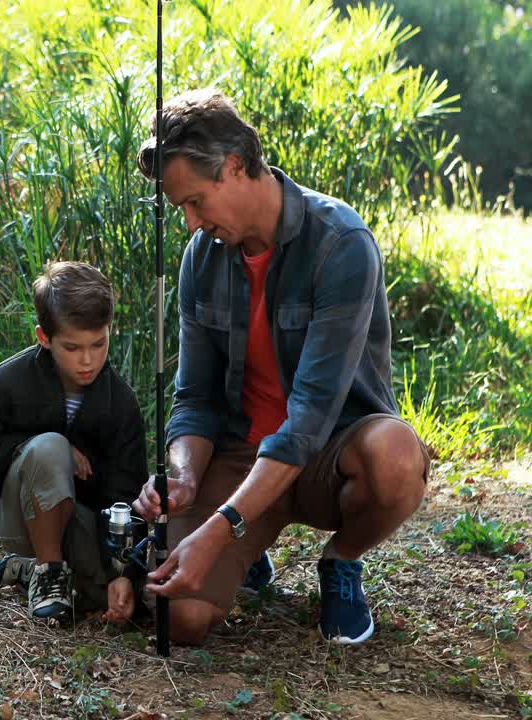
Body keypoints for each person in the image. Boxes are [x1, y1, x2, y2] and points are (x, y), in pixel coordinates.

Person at [130, 89, 430, 646]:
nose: (190, 224)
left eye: (195, 202)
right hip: (240, 452)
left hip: (329, 451)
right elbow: (194, 398)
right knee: (178, 616)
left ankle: (341, 559)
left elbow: (310, 418)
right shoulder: (201, 258)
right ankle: (250, 549)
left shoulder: (341, 242)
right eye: (180, 209)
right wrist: (184, 475)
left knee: (395, 455)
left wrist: (220, 529)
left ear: (235, 166)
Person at [0, 261, 148, 624]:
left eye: (98, 344)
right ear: (44, 337)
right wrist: (36, 447)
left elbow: (126, 494)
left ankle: (28, 570)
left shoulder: (121, 402)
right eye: (72, 347)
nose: (88, 360)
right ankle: (48, 572)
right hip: (19, 516)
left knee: (111, 597)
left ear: (110, 330)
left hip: (83, 520)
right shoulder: (7, 381)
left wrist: (123, 574)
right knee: (49, 448)